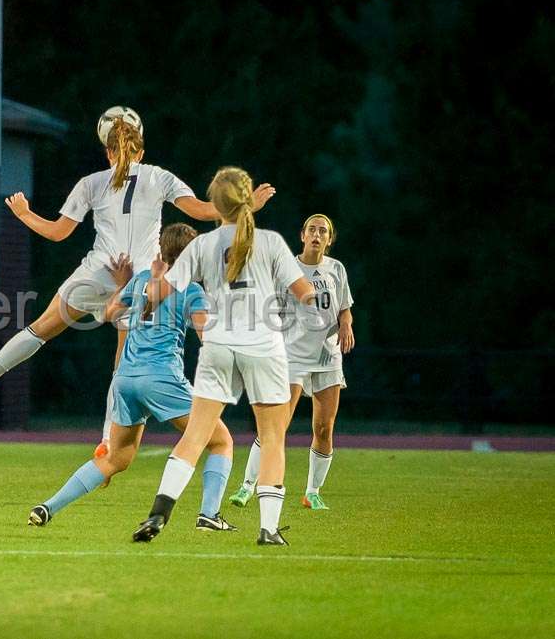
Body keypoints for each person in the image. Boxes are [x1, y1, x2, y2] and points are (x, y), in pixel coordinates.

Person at [0, 115, 273, 449]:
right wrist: (246, 206)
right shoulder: (159, 177)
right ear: (140, 151)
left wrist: (23, 214)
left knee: (40, 329)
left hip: (98, 270)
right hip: (139, 277)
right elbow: (200, 210)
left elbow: (58, 232)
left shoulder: (91, 183)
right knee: (123, 359)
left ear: (107, 152)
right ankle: (108, 438)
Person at [130, 167, 326, 547]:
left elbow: (157, 297)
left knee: (195, 436)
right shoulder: (268, 241)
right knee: (272, 438)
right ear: (248, 199)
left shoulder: (201, 245)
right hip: (264, 348)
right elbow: (305, 293)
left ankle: (159, 511)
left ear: (213, 205)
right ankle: (268, 529)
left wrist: (154, 279)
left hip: (218, 347)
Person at [28, 224, 237, 532]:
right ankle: (209, 514)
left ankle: (48, 506)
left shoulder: (141, 280)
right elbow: (208, 336)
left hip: (125, 378)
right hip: (161, 377)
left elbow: (110, 313)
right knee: (221, 441)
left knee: (118, 457)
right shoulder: (191, 290)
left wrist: (123, 286)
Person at [228, 214, 355, 510]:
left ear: (329, 239)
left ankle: (312, 492)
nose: (317, 234)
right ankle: (247, 486)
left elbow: (345, 308)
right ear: (302, 235)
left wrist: (346, 323)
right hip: (293, 356)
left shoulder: (336, 269)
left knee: (324, 428)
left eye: (323, 230)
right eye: (312, 228)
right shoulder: (288, 269)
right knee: (276, 425)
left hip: (328, 356)